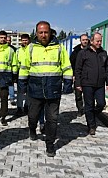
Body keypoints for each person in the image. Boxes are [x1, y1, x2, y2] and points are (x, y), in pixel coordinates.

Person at [19, 21, 72, 157]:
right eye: (40, 32)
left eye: (46, 32)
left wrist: (67, 82)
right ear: (36, 33)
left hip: (53, 89)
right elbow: (24, 67)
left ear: (50, 32)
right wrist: (22, 84)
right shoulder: (30, 48)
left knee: (52, 119)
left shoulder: (59, 48)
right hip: (35, 89)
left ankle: (50, 145)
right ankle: (32, 130)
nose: (43, 35)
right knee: (33, 116)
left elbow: (66, 66)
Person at [74, 32, 108, 135]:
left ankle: (92, 114)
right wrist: (78, 83)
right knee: (89, 105)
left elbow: (107, 69)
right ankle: (91, 126)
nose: (99, 43)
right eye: (97, 41)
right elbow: (78, 69)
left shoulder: (103, 53)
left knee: (101, 103)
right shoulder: (83, 53)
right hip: (87, 83)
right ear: (92, 41)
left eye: (100, 41)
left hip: (100, 84)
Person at [0, 31, 18, 126]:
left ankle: (3, 116)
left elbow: (14, 63)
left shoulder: (11, 50)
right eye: (1, 37)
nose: (3, 39)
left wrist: (14, 75)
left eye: (4, 37)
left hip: (6, 75)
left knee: (4, 96)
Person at [69, 34, 89, 117]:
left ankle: (88, 109)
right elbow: (71, 64)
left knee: (88, 94)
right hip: (78, 76)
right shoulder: (75, 52)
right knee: (78, 94)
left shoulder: (91, 50)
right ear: (80, 41)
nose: (85, 41)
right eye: (83, 40)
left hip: (88, 76)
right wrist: (73, 75)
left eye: (86, 40)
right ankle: (80, 109)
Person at [6, 36, 17, 106]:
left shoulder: (13, 49)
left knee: (11, 84)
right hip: (1, 71)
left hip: (10, 71)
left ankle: (12, 98)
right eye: (7, 40)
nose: (8, 41)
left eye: (9, 40)